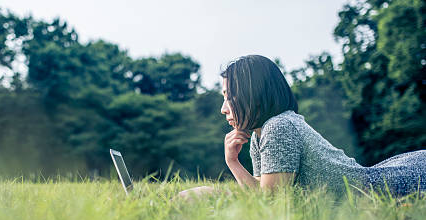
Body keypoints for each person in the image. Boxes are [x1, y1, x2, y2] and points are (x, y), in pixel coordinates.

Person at [177, 54, 425, 199]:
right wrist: (234, 164)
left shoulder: (279, 127)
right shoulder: (259, 134)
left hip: (391, 187)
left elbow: (272, 202)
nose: (223, 108)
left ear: (253, 95)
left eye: (229, 97)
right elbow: (264, 193)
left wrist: (226, 174)